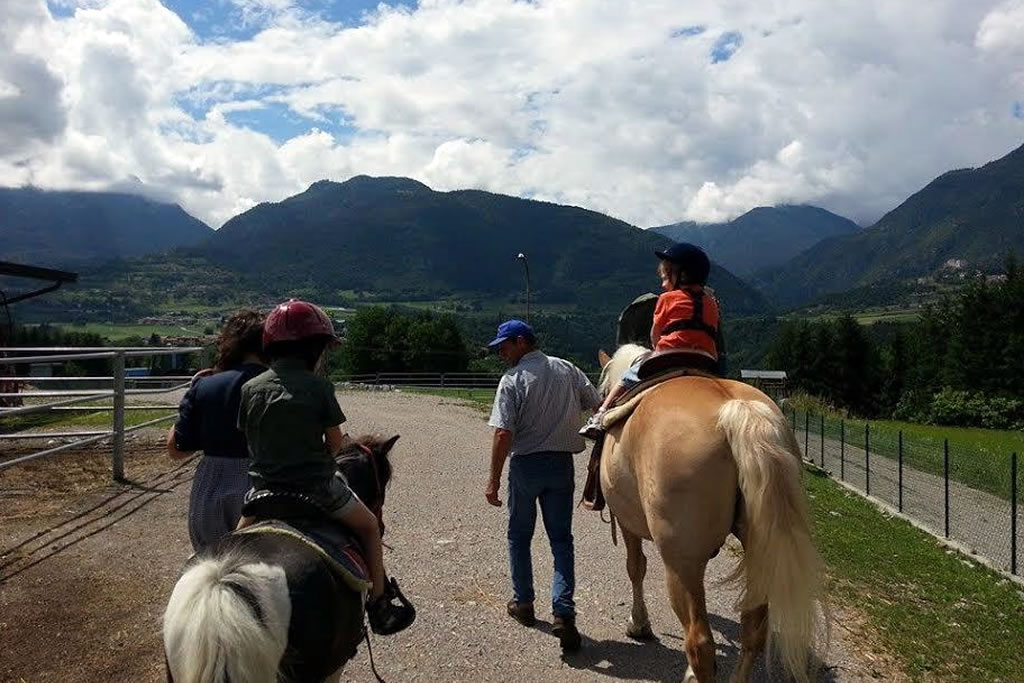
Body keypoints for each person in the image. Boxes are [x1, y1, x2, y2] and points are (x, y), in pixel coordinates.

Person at [236, 299, 414, 636]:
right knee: (369, 529)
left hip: (262, 493)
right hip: (316, 489)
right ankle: (379, 604)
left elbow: (250, 438)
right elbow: (336, 448)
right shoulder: (319, 388)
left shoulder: (249, 389)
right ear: (315, 349)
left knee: (229, 548)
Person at [484, 319, 601, 652]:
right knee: (561, 540)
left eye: (504, 346)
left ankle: (523, 604)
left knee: (519, 536)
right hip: (562, 466)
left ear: (522, 342)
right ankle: (563, 612)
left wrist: (493, 479)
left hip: (526, 466)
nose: (501, 353)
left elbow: (503, 433)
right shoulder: (568, 369)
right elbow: (596, 403)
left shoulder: (512, 379)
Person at [580, 242, 723, 438]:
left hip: (669, 356)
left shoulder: (666, 299)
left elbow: (655, 334)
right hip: (705, 359)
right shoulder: (712, 303)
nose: (663, 284)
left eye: (666, 277)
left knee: (627, 377)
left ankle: (600, 414)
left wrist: (657, 347)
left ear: (681, 276)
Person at [167, 309, 267, 552]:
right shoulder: (279, 385)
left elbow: (176, 450)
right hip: (263, 483)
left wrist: (191, 395)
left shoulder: (205, 385)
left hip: (212, 483)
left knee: (209, 562)